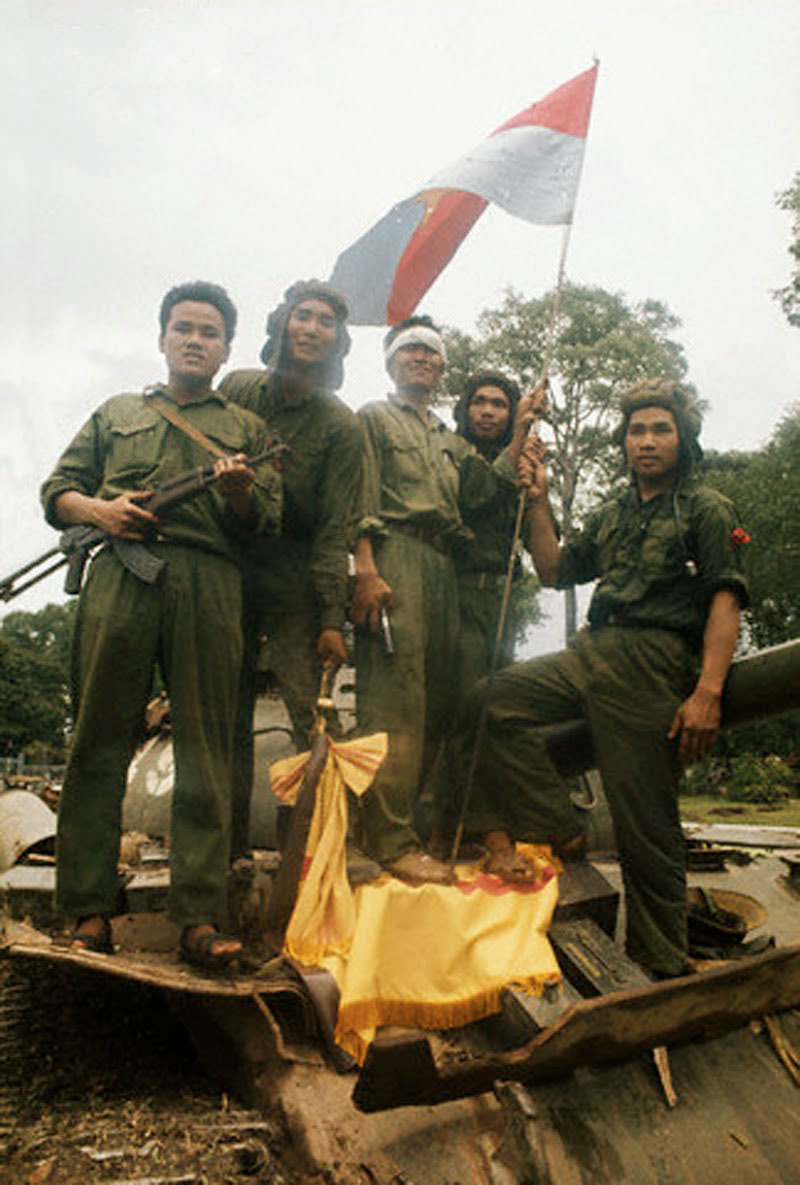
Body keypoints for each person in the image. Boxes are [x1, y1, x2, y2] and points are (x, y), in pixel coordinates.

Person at [456, 378, 749, 978]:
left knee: (646, 824)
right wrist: (536, 498)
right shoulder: (614, 511)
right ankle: (562, 828)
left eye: (660, 430)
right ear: (623, 440)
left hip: (652, 661)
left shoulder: (706, 509)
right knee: (490, 703)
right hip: (590, 650)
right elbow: (556, 568)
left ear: (683, 438)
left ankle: (660, 964)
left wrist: (707, 693)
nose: (646, 441)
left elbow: (725, 601)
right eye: (636, 431)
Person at [41, 281, 282, 968]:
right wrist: (102, 513)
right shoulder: (117, 411)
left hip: (209, 579)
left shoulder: (243, 429)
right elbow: (57, 492)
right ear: (162, 338)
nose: (196, 339)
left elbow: (264, 524)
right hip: (121, 571)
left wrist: (239, 495)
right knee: (97, 735)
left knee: (207, 747)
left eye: (209, 331)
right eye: (184, 328)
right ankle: (88, 908)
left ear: (227, 347)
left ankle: (199, 916)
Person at [351, 317, 527, 885]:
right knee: (394, 703)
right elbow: (359, 495)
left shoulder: (450, 442)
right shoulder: (373, 419)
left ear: (442, 366)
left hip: (443, 567)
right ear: (390, 361)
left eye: (431, 352)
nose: (421, 358)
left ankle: (415, 829)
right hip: (395, 552)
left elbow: (488, 488)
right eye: (410, 350)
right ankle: (387, 842)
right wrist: (365, 567)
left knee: (438, 708)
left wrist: (521, 430)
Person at [219, 279, 365, 860]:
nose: (311, 328)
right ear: (281, 324)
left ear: (337, 341)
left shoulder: (340, 425)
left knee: (312, 717)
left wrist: (332, 617)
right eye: (302, 316)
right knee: (219, 711)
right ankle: (220, 853)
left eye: (325, 321)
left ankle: (311, 853)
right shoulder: (237, 390)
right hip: (225, 570)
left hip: (294, 580)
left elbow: (336, 530)